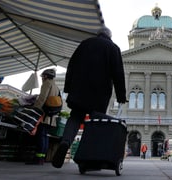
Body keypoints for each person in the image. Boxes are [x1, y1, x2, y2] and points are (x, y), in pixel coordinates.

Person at [51, 26, 127, 168]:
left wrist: (68, 87)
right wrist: (121, 95)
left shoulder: (85, 43)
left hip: (79, 90)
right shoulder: (113, 48)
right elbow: (118, 73)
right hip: (99, 93)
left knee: (75, 118)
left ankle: (65, 142)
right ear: (109, 36)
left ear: (98, 34)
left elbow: (71, 66)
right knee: (95, 124)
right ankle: (89, 158)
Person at [26, 69, 60, 165]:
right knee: (45, 136)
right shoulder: (56, 86)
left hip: (44, 114)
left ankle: (38, 159)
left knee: (41, 135)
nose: (42, 78)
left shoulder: (47, 83)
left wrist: (35, 109)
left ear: (45, 76)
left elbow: (42, 98)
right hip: (51, 116)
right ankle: (42, 158)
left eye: (43, 76)